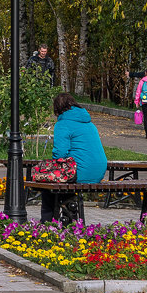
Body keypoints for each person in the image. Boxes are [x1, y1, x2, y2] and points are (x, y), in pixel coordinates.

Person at [41, 93, 107, 221]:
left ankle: (47, 223)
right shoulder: (88, 122)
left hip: (80, 172)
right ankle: (69, 218)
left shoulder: (63, 124)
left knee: (48, 188)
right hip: (98, 172)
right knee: (65, 184)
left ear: (57, 110)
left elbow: (60, 154)